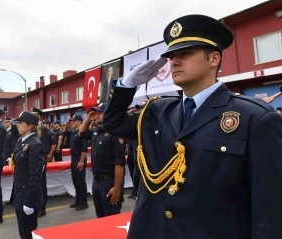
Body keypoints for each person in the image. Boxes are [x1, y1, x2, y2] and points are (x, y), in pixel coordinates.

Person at [102, 14, 282, 239]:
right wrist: (127, 85)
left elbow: (269, 209)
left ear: (214, 58)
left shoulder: (254, 118)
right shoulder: (157, 111)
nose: (174, 61)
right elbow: (112, 123)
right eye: (171, 55)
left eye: (185, 54)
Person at [79, 103, 125, 218]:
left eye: (100, 112)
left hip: (109, 181)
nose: (97, 115)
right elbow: (82, 133)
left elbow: (119, 164)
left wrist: (117, 188)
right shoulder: (97, 132)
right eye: (97, 112)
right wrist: (88, 119)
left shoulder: (115, 133)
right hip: (97, 181)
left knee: (111, 217)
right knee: (100, 217)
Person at [10, 111, 45, 239]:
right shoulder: (22, 141)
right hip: (20, 192)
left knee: (28, 233)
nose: (17, 125)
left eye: (20, 123)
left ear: (30, 126)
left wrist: (29, 201)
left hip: (27, 195)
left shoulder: (35, 144)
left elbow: (35, 176)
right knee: (22, 232)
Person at [63, 115, 89, 211]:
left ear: (79, 122)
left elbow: (84, 148)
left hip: (79, 158)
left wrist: (81, 161)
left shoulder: (82, 132)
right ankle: (78, 200)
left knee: (81, 182)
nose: (72, 123)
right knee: (75, 181)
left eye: (74, 121)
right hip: (73, 159)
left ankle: (84, 202)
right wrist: (66, 127)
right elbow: (64, 136)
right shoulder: (74, 132)